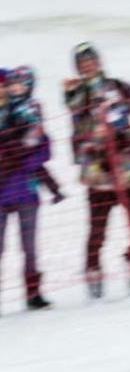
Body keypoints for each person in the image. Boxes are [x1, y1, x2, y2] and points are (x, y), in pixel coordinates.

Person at [64, 43, 130, 298]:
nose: (88, 66)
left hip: (127, 171)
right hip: (99, 177)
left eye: (91, 60)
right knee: (97, 231)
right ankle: (93, 271)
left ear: (99, 61)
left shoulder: (119, 87)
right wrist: (96, 150)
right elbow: (78, 134)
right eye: (82, 63)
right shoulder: (78, 97)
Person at [0, 69, 53, 310]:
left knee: (29, 246)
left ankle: (33, 292)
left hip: (25, 191)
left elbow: (45, 149)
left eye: (5, 85)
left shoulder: (28, 112)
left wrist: (22, 161)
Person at [3, 67, 64, 203]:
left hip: (27, 140)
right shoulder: (11, 105)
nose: (15, 88)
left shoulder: (30, 103)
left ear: (28, 86)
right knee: (27, 167)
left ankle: (55, 190)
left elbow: (35, 122)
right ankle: (55, 190)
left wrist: (26, 131)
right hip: (14, 140)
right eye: (12, 85)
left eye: (19, 85)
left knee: (34, 167)